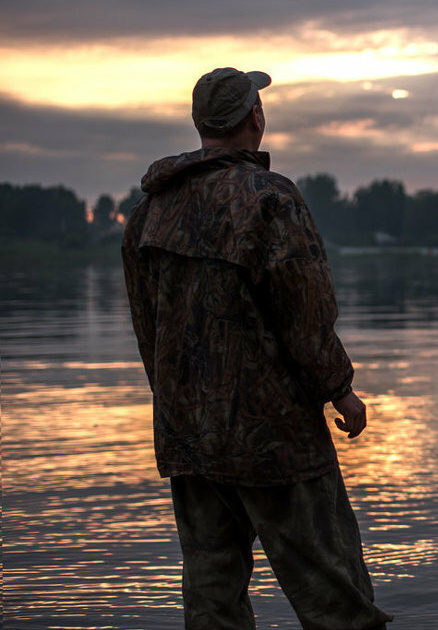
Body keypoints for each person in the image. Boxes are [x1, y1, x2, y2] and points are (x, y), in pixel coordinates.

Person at [122, 67, 392, 630]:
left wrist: (175, 404)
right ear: (254, 118)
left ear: (202, 124)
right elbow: (306, 313)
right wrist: (340, 391)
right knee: (336, 596)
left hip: (187, 435)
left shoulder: (150, 209)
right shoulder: (269, 198)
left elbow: (147, 326)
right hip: (274, 438)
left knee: (211, 598)